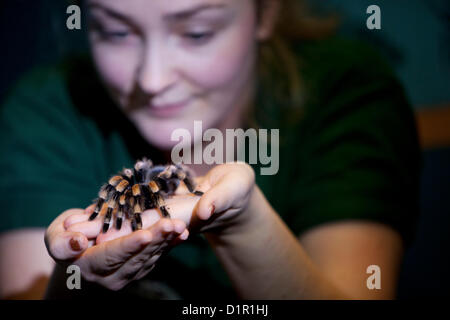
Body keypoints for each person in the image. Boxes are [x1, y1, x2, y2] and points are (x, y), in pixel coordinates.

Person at [0, 0, 421, 299]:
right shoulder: (50, 106)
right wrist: (78, 286)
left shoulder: (346, 92)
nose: (151, 79)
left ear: (266, 11)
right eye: (116, 30)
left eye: (197, 32)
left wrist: (240, 221)